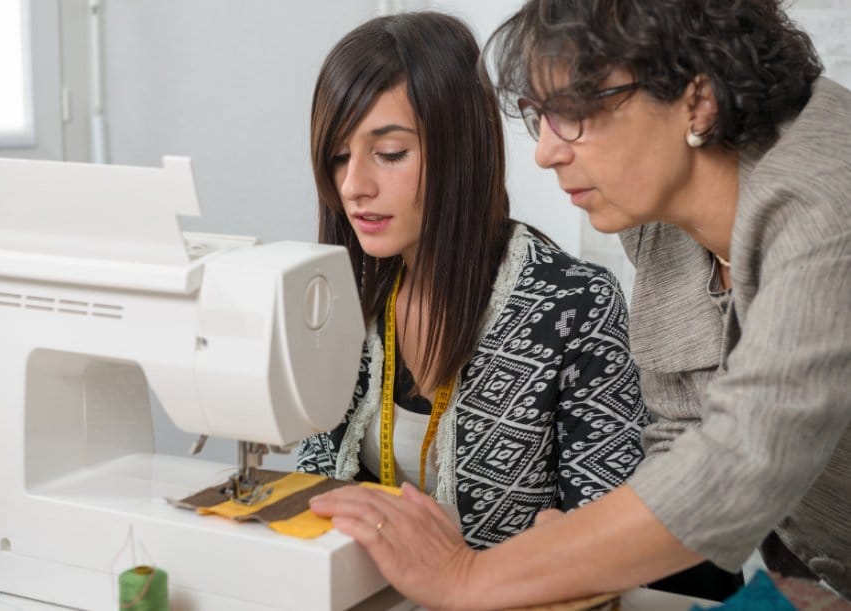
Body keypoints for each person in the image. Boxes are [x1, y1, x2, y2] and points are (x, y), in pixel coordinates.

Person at [308, 0, 851, 608]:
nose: (544, 152)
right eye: (539, 116)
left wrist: (467, 577)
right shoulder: (661, 221)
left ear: (697, 101)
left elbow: (742, 463)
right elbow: (681, 435)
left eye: (571, 115)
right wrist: (571, 551)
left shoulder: (825, 208)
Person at [297, 11, 648, 551]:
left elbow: (607, 539)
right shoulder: (348, 296)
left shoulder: (575, 307)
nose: (352, 185)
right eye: (338, 156)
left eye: (389, 154)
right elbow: (314, 475)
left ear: (462, 148)